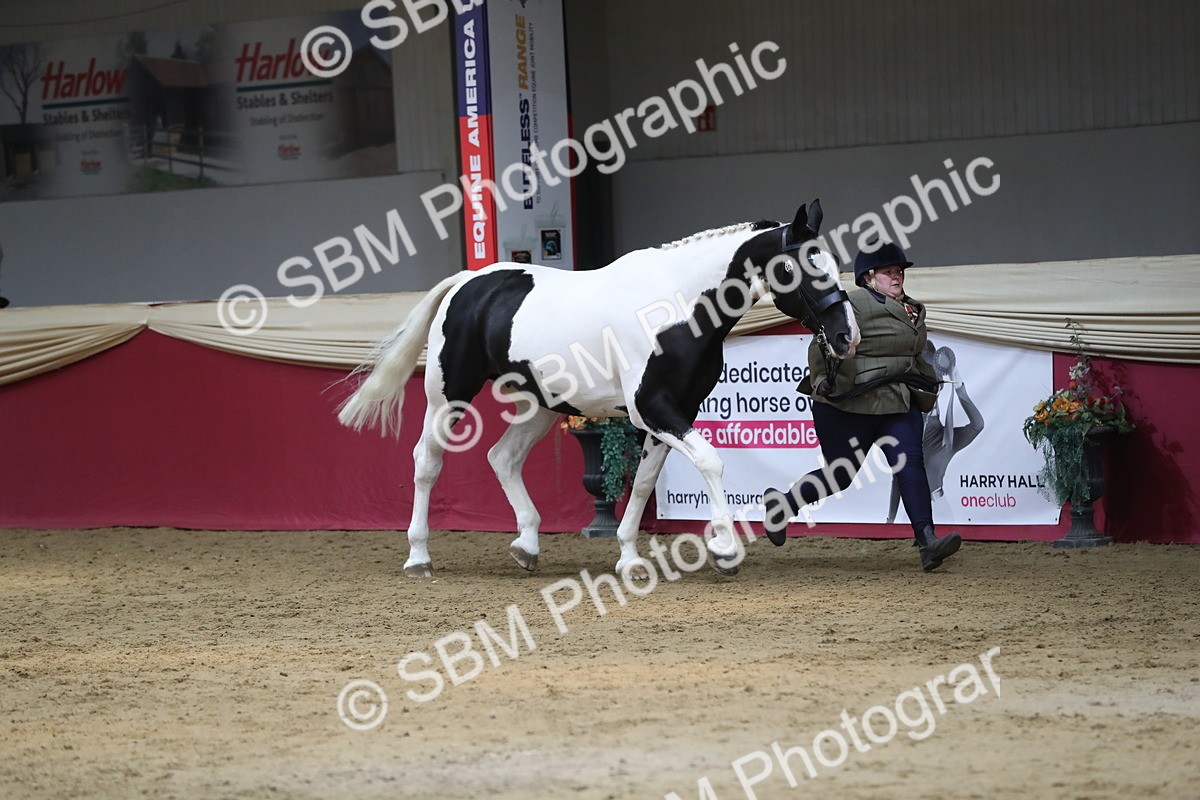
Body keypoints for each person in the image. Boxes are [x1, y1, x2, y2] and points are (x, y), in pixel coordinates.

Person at [762, 241, 962, 571]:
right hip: (850, 405)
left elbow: (913, 356)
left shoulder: (913, 310)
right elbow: (820, 346)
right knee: (839, 475)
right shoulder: (852, 303)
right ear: (868, 277)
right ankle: (783, 506)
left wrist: (926, 383)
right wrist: (823, 380)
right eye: (888, 272)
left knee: (911, 463)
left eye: (899, 271)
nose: (897, 276)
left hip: (896, 400)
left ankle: (928, 543)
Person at [886, 342, 986, 524]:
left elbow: (977, 425)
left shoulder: (946, 439)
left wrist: (959, 387)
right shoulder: (905, 435)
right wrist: (890, 521)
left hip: (940, 512)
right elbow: (897, 480)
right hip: (911, 513)